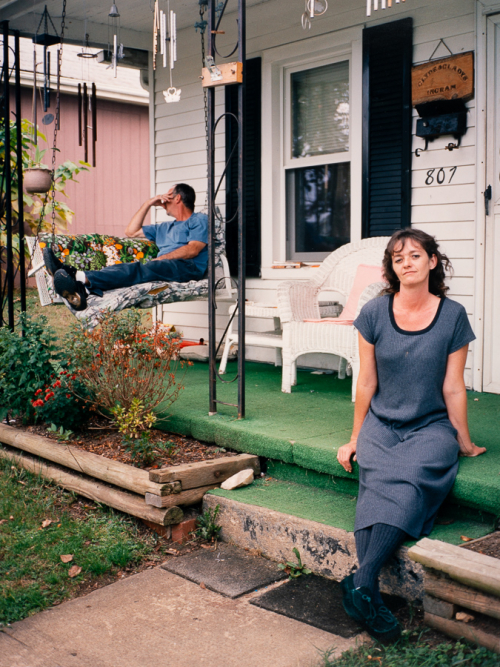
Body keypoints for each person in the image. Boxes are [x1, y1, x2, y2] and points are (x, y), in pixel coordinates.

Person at [336, 228, 486, 642]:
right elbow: (365, 381)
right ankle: (366, 587)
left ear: (432, 262)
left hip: (431, 426)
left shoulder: (452, 315)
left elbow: (453, 386)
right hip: (382, 423)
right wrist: (355, 436)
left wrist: (464, 441)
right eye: (398, 257)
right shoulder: (373, 314)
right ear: (391, 267)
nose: (406, 262)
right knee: (378, 479)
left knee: (411, 478)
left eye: (415, 255)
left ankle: (361, 583)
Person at [43, 183, 208, 311]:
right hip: (164, 267)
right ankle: (82, 288)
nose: (163, 198)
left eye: (168, 195)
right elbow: (131, 231)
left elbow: (193, 249)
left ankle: (75, 276)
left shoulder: (198, 219)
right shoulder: (163, 227)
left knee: (139, 269)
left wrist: (161, 259)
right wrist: (148, 203)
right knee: (130, 268)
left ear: (177, 198)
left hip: (188, 268)